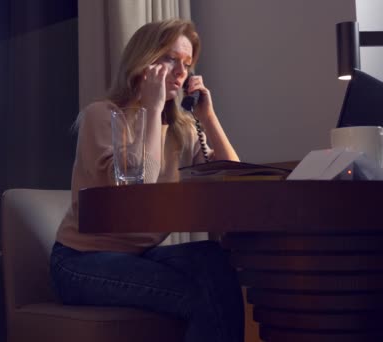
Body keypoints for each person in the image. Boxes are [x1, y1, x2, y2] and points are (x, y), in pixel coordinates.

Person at [50, 18, 244, 342]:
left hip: (139, 258)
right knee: (199, 297)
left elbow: (232, 179)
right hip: (80, 262)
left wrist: (208, 118)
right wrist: (152, 109)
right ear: (144, 61)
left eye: (187, 63)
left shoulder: (181, 130)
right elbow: (138, 184)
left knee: (214, 259)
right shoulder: (103, 116)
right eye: (170, 58)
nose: (181, 72)